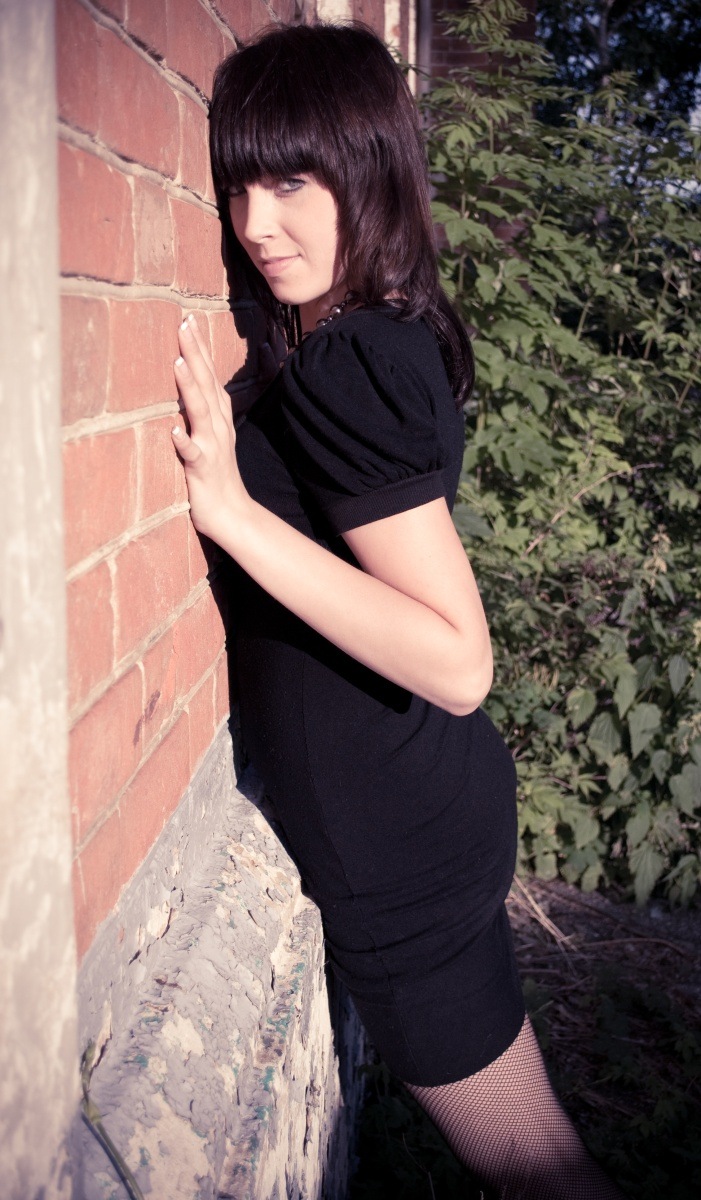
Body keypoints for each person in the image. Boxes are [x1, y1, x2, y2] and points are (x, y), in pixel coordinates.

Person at [170, 21, 626, 1199]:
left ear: (365, 168)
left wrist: (233, 515)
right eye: (235, 186)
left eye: (290, 182)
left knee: (539, 1175)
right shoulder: (365, 331)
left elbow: (456, 661)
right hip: (425, 818)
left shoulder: (348, 363)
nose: (253, 223)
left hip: (402, 866)